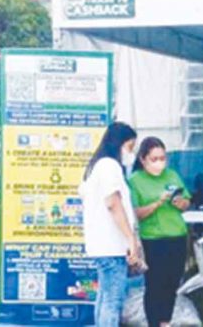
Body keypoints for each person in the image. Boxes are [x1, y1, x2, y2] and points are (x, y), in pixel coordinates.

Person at [79, 122, 139, 327]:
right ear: (120, 143)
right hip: (111, 244)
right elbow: (113, 203)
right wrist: (130, 238)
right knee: (113, 301)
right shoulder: (108, 166)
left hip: (102, 245)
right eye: (130, 147)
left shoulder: (96, 167)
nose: (131, 153)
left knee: (104, 298)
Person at [128, 137, 191, 327]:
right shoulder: (135, 181)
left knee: (173, 280)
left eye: (162, 158)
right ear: (143, 159)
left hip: (177, 234)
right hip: (154, 238)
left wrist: (181, 203)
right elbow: (136, 213)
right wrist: (157, 203)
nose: (159, 163)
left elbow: (187, 201)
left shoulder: (172, 175)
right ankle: (154, 322)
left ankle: (166, 320)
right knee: (155, 283)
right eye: (154, 159)